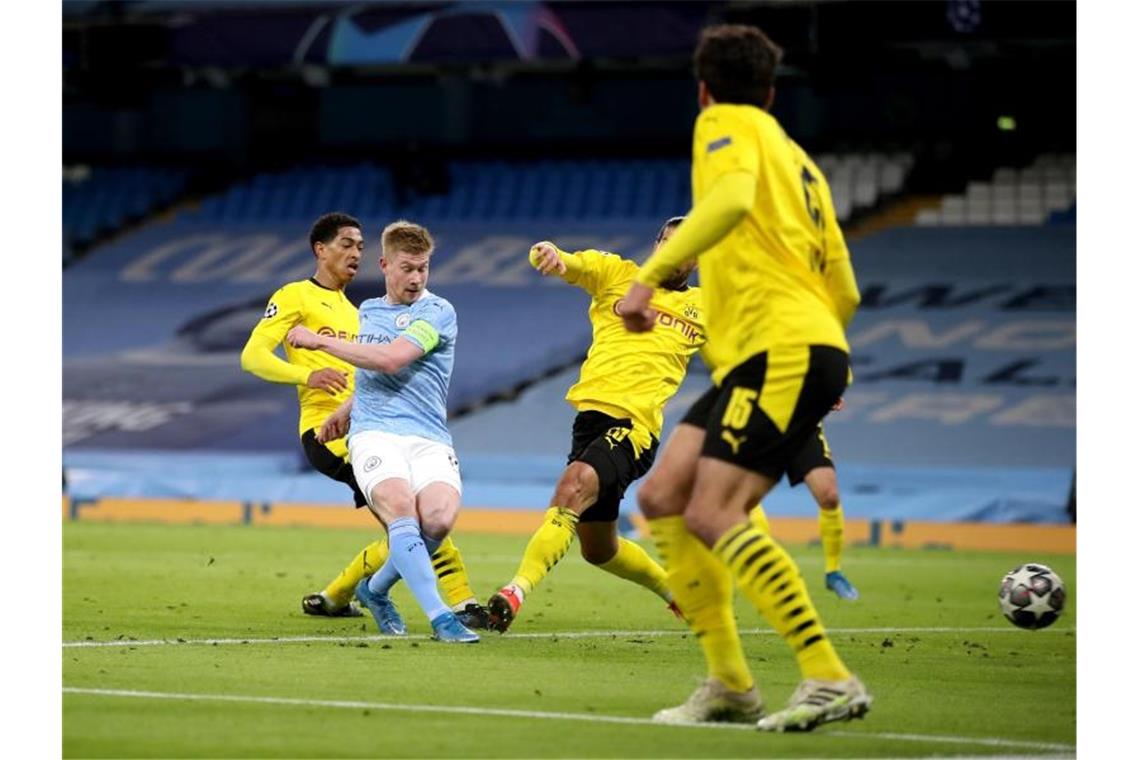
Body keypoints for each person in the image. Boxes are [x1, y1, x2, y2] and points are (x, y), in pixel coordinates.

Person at [621, 25, 871, 731]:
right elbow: (844, 285)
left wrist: (647, 281)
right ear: (770, 90)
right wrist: (827, 352)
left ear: (703, 89)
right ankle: (731, 683)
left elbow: (727, 200)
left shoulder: (722, 126)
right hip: (791, 349)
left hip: (778, 350)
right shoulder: (798, 162)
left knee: (712, 513)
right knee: (666, 495)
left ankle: (827, 675)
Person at [240, 212, 486, 627]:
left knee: (409, 522)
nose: (356, 252)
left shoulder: (364, 312)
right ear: (320, 249)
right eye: (346, 244)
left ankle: (335, 597)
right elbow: (252, 357)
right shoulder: (296, 295)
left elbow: (376, 369)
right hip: (329, 433)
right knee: (410, 518)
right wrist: (306, 374)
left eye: (359, 245)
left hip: (371, 423)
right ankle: (462, 603)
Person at [486, 217, 699, 632]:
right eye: (667, 243)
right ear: (656, 243)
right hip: (589, 421)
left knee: (573, 486)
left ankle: (514, 591)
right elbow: (563, 261)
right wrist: (546, 251)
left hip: (634, 427)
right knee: (600, 549)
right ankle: (678, 592)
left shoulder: (707, 308)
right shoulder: (616, 274)